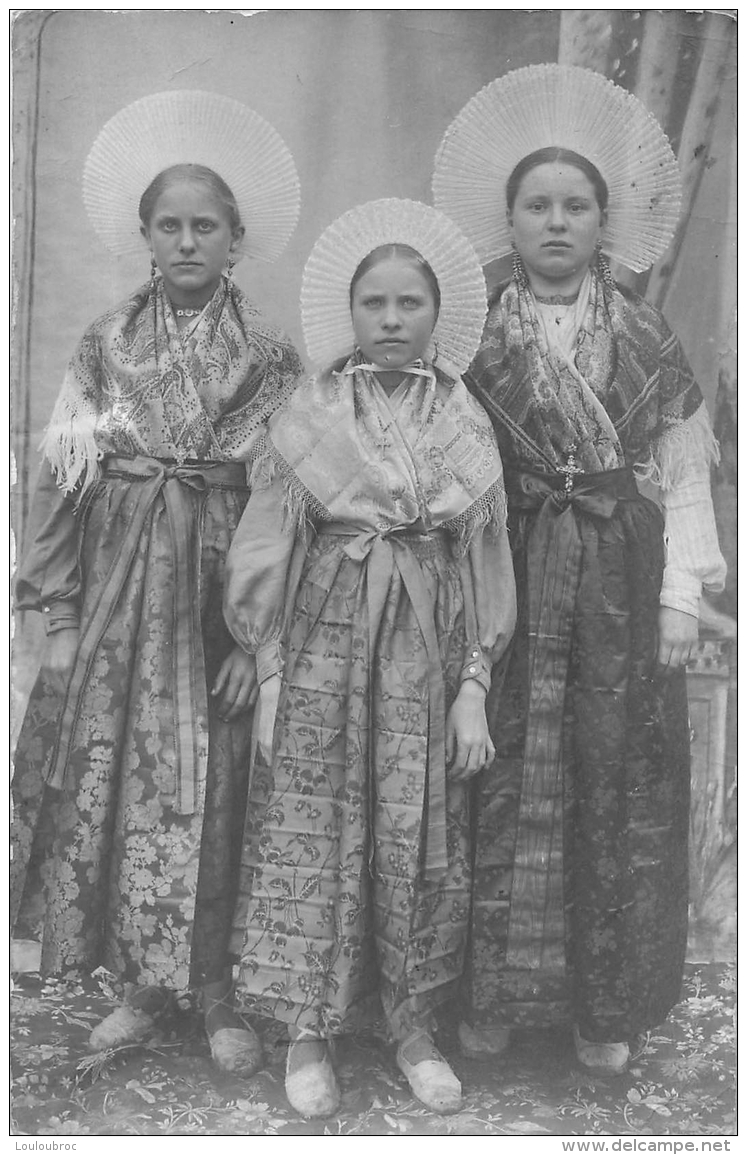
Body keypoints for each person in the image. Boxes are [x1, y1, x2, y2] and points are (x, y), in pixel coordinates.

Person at [433, 63, 727, 1074]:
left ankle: (602, 1009)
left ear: (607, 223)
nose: (556, 222)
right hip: (505, 568)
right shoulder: (470, 337)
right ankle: (496, 1000)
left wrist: (682, 592)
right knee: (502, 777)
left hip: (615, 575)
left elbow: (681, 469)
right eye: (537, 206)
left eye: (576, 206)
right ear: (508, 223)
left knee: (614, 778)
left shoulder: (644, 333)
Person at [11, 90, 304, 1077]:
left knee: (219, 781)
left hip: (222, 587)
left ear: (236, 239)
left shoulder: (270, 359)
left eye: (205, 226)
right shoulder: (105, 343)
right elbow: (60, 477)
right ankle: (143, 984)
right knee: (134, 779)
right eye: (169, 226)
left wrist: (259, 641)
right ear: (144, 237)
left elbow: (291, 499)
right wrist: (52, 607)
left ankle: (216, 987)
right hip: (125, 585)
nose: (187, 242)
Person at [223, 198, 516, 1117]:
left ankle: (411, 1021)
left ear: (438, 315)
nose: (391, 322)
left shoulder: (465, 418)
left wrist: (472, 687)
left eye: (409, 305)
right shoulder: (310, 408)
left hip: (423, 643)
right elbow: (264, 542)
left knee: (415, 819)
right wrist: (268, 668)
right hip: (320, 632)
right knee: (308, 813)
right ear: (349, 315)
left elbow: (486, 558)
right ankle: (306, 1029)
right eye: (374, 305)